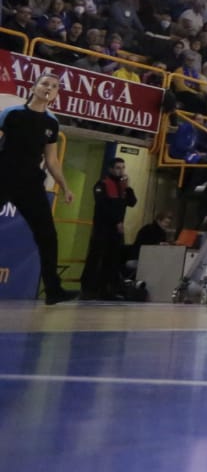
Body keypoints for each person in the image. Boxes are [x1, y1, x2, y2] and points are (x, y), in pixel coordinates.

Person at [0, 73, 73, 303]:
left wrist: (65, 186)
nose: (48, 88)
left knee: (48, 235)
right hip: (3, 176)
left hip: (31, 182)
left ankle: (53, 290)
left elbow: (51, 160)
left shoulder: (52, 122)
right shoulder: (11, 114)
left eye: (54, 86)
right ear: (34, 87)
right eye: (45, 84)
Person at [82, 155, 137, 298]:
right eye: (118, 168)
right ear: (111, 169)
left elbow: (132, 202)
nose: (121, 171)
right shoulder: (102, 184)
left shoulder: (122, 187)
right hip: (103, 228)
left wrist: (127, 187)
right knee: (96, 258)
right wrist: (117, 221)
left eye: (123, 167)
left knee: (112, 260)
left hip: (116, 231)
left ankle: (107, 289)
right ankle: (89, 289)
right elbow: (103, 207)